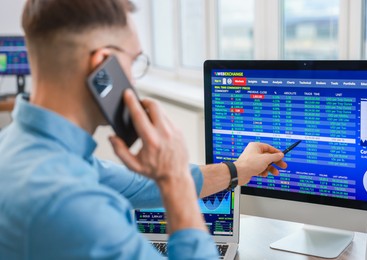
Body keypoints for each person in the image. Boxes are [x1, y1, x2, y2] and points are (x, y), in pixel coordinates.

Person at [0, 0, 287, 259]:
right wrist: (175, 184)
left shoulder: (23, 147)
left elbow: (139, 185)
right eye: (134, 61)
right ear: (103, 67)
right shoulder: (68, 204)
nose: (134, 80)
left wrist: (237, 169)